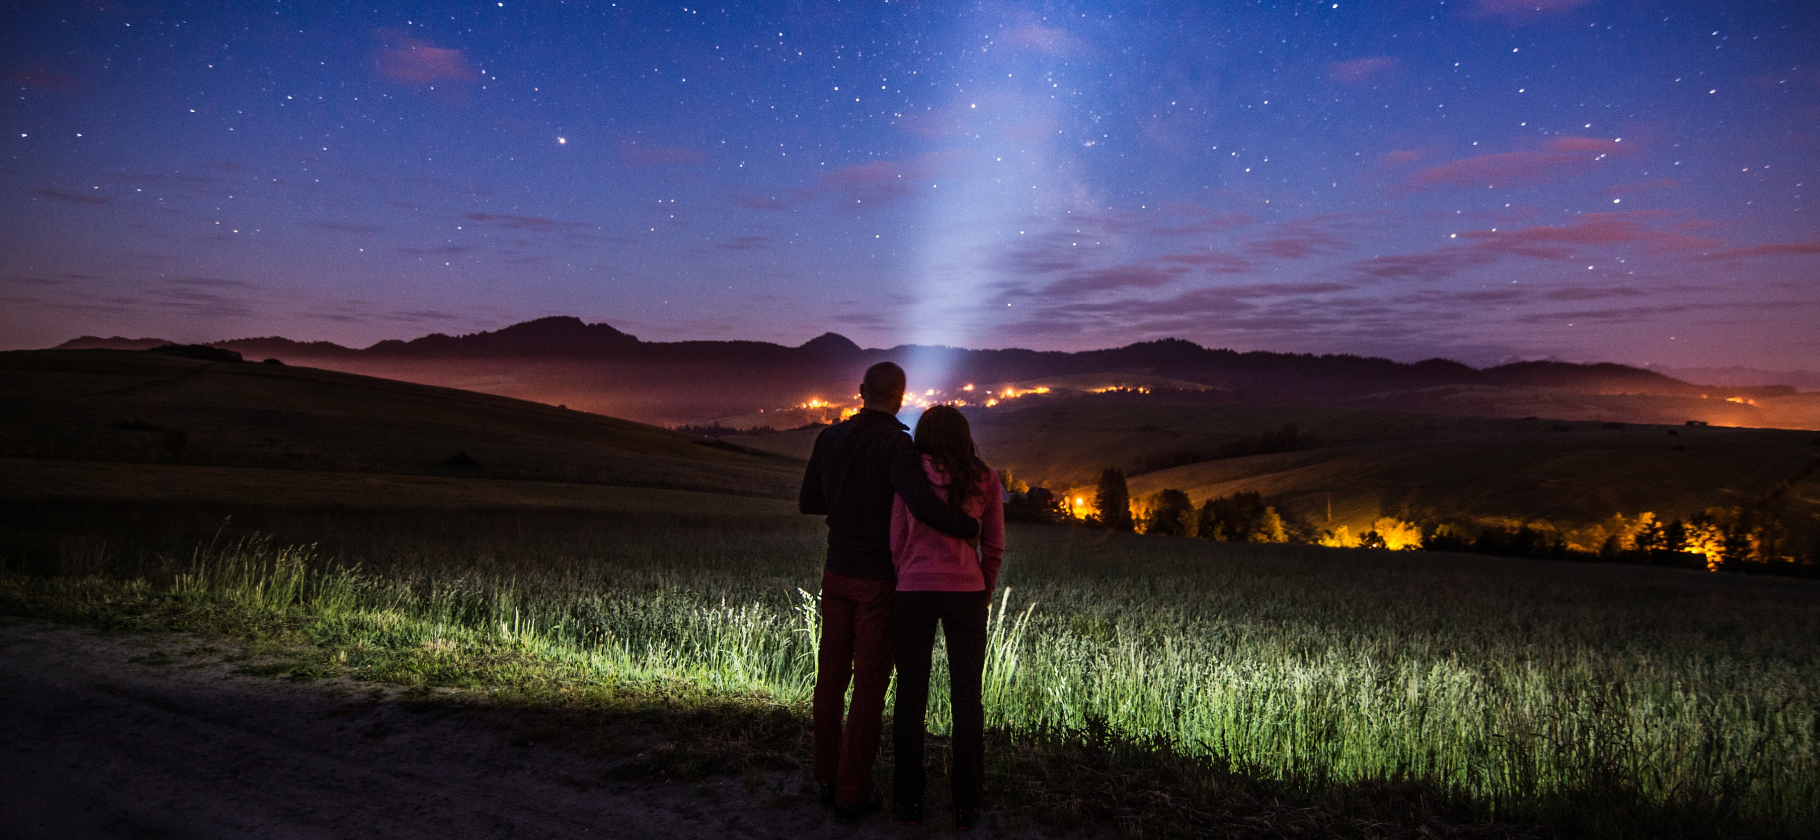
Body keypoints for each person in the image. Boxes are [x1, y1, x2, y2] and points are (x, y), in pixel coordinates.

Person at [798, 362, 982, 824]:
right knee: (869, 686)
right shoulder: (896, 443)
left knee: (830, 678)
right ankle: (853, 791)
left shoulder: (829, 438)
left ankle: (825, 777)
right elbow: (920, 505)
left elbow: (808, 501)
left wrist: (845, 501)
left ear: (860, 392)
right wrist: (968, 527)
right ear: (901, 398)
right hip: (878, 581)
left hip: (835, 572)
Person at [887, 404, 1004, 831]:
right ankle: (966, 805)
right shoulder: (984, 479)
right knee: (967, 700)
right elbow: (993, 547)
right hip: (966, 594)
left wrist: (909, 573)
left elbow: (896, 538)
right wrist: (985, 589)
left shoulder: (911, 477)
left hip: (913, 592)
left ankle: (908, 801)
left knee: (910, 697)